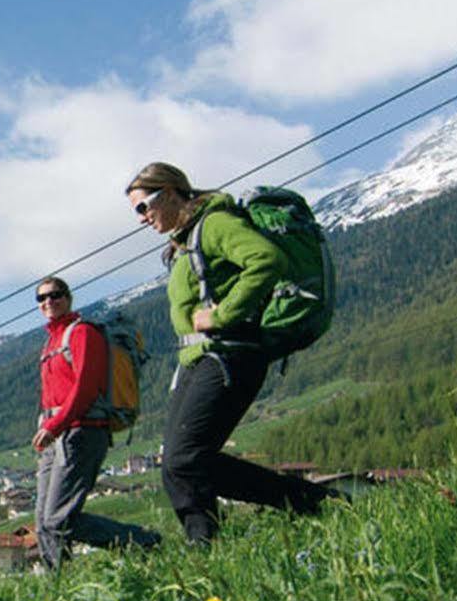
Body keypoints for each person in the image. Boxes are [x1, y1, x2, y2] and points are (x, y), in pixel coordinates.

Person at [124, 162, 331, 545]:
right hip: (198, 360)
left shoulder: (214, 224)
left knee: (186, 459)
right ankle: (212, 540)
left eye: (143, 207)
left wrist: (224, 313)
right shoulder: (185, 241)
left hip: (229, 355)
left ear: (170, 193)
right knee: (177, 463)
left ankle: (311, 505)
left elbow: (267, 259)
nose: (141, 219)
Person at [30, 276, 161, 568]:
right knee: (43, 521)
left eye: (55, 295)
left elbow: (86, 388)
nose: (48, 301)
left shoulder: (82, 333)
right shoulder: (51, 341)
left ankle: (144, 542)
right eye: (41, 298)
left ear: (69, 297)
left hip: (82, 431)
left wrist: (55, 425)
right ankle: (58, 585)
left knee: (59, 518)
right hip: (55, 434)